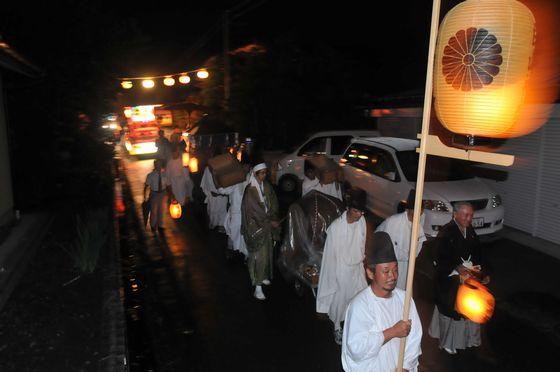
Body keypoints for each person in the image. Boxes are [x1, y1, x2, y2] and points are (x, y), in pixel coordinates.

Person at [342, 231, 422, 371]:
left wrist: (405, 367)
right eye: (386, 271)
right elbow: (356, 349)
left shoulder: (404, 299)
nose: (392, 276)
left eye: (395, 270)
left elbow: (414, 338)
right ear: (370, 273)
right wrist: (392, 332)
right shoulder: (360, 305)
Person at [428, 202, 490, 355]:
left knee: (472, 306)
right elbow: (439, 257)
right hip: (449, 279)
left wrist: (484, 272)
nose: (469, 219)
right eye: (466, 215)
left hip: (468, 276)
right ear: (455, 214)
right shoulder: (446, 233)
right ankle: (448, 342)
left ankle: (469, 339)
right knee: (453, 309)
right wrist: (456, 267)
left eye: (471, 215)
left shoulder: (470, 231)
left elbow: (479, 254)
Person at [317, 188, 368, 345]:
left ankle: (354, 325)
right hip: (341, 270)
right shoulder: (336, 228)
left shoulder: (362, 222)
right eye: (355, 211)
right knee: (340, 300)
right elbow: (330, 257)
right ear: (347, 209)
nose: (359, 215)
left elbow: (362, 244)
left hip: (357, 267)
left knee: (360, 297)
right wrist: (334, 277)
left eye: (361, 212)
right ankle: (337, 327)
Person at [241, 162, 280, 300]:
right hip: (256, 228)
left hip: (266, 226)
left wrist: (273, 215)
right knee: (259, 257)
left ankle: (262, 276)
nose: (264, 175)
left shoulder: (266, 186)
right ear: (255, 174)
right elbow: (254, 212)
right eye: (261, 173)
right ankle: (257, 287)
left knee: (267, 253)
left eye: (265, 172)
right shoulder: (250, 190)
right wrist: (270, 221)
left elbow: (274, 201)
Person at [375, 189, 427, 290]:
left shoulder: (419, 225)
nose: (415, 218)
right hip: (391, 264)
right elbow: (379, 238)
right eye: (413, 214)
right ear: (407, 210)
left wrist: (410, 256)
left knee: (405, 291)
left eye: (419, 214)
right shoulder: (393, 222)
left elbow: (418, 246)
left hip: (407, 266)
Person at [217, 162, 251, 260]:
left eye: (247, 167)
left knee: (245, 235)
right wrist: (220, 180)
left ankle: (246, 255)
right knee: (233, 233)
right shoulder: (235, 180)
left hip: (247, 213)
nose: (246, 168)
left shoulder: (251, 179)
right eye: (244, 166)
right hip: (236, 214)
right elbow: (222, 190)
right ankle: (231, 250)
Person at [143, 159, 170, 232]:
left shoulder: (165, 174)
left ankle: (161, 226)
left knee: (162, 210)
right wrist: (144, 196)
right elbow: (146, 186)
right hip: (154, 194)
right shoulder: (150, 175)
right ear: (155, 165)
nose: (158, 166)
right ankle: (153, 225)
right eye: (157, 164)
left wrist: (170, 195)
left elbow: (168, 185)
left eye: (160, 164)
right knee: (153, 210)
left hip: (163, 193)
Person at [200, 165, 228, 231]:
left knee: (223, 218)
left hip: (223, 199)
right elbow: (204, 185)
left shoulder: (225, 166)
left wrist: (223, 194)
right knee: (213, 219)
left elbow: (230, 186)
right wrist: (210, 194)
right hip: (212, 199)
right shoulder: (208, 169)